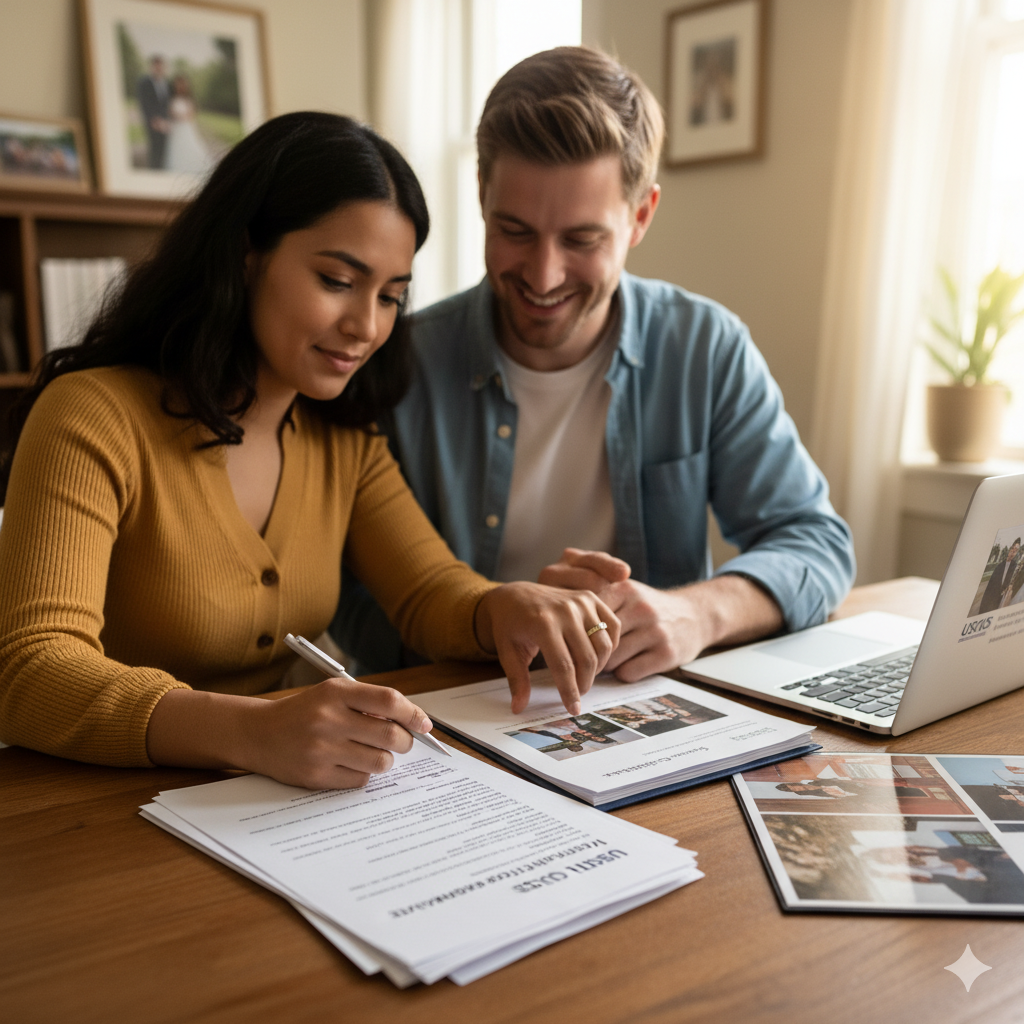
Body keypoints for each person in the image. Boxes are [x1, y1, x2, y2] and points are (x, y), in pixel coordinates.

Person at [0, 112, 620, 791]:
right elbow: (33, 668)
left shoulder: (342, 438)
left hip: (266, 801)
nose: (365, 326)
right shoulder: (93, 416)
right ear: (245, 252)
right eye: (336, 280)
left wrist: (501, 606)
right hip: (92, 803)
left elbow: (425, 590)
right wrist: (254, 731)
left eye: (390, 296)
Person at [333, 46, 855, 680]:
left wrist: (698, 614)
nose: (543, 274)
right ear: (480, 197)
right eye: (516, 230)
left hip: (650, 709)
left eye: (582, 239)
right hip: (456, 717)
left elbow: (816, 544)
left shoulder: (704, 346)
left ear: (640, 217)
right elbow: (349, 597)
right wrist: (492, 633)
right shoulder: (395, 361)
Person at [165, 74, 212, 175]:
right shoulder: (172, 99)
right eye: (177, 85)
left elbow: (191, 115)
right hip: (176, 131)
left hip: (186, 130)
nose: (179, 87)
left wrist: (180, 117)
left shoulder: (189, 100)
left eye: (182, 84)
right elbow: (170, 113)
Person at [137, 56, 171, 170]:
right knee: (154, 147)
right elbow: (144, 103)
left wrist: (166, 121)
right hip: (152, 122)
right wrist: (153, 120)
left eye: (161, 66)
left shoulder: (166, 83)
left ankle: (161, 168)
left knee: (164, 148)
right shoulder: (144, 83)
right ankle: (153, 170)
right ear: (152, 67)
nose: (159, 69)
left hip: (165, 123)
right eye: (156, 66)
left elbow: (167, 104)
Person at [980, 537, 1021, 613]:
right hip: (992, 600)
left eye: (1015, 551)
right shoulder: (999, 567)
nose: (1013, 552)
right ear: (1009, 549)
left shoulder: (1015, 567)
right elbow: (989, 589)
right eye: (1012, 549)